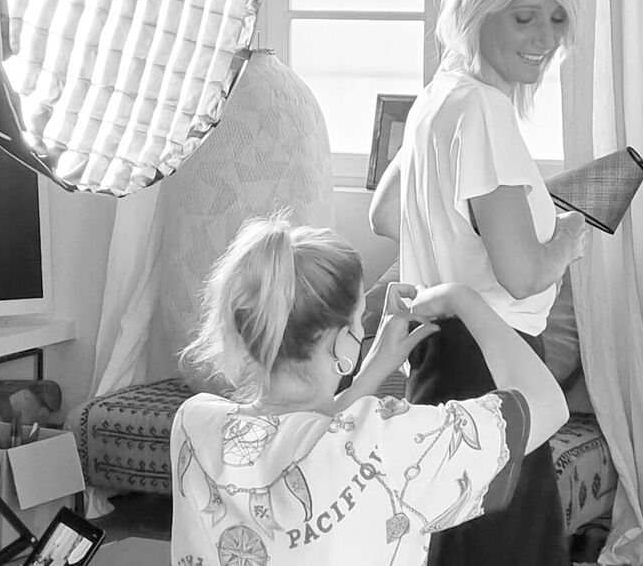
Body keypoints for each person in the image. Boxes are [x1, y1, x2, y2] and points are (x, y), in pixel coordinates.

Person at [370, 0, 587, 566]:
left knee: (452, 546)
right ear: (477, 11)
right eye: (524, 17)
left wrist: (474, 226)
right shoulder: (486, 112)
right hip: (497, 363)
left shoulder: (439, 96)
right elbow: (522, 275)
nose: (545, 38)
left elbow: (385, 214)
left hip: (436, 358)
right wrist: (571, 233)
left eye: (556, 18)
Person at [170, 215, 569, 566]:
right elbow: (547, 405)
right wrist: (462, 299)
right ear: (341, 341)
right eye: (361, 318)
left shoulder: (194, 425)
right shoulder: (389, 442)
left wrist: (370, 371)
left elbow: (300, 440)